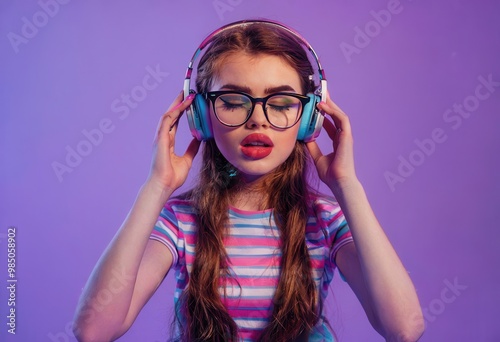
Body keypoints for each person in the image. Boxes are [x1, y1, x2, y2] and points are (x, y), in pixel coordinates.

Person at [73, 20, 424, 342]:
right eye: (233, 101)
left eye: (283, 102)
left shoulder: (325, 221)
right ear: (201, 117)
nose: (258, 119)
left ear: (309, 120)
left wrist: (347, 186)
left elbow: (404, 327)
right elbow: (93, 330)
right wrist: (156, 186)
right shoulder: (181, 222)